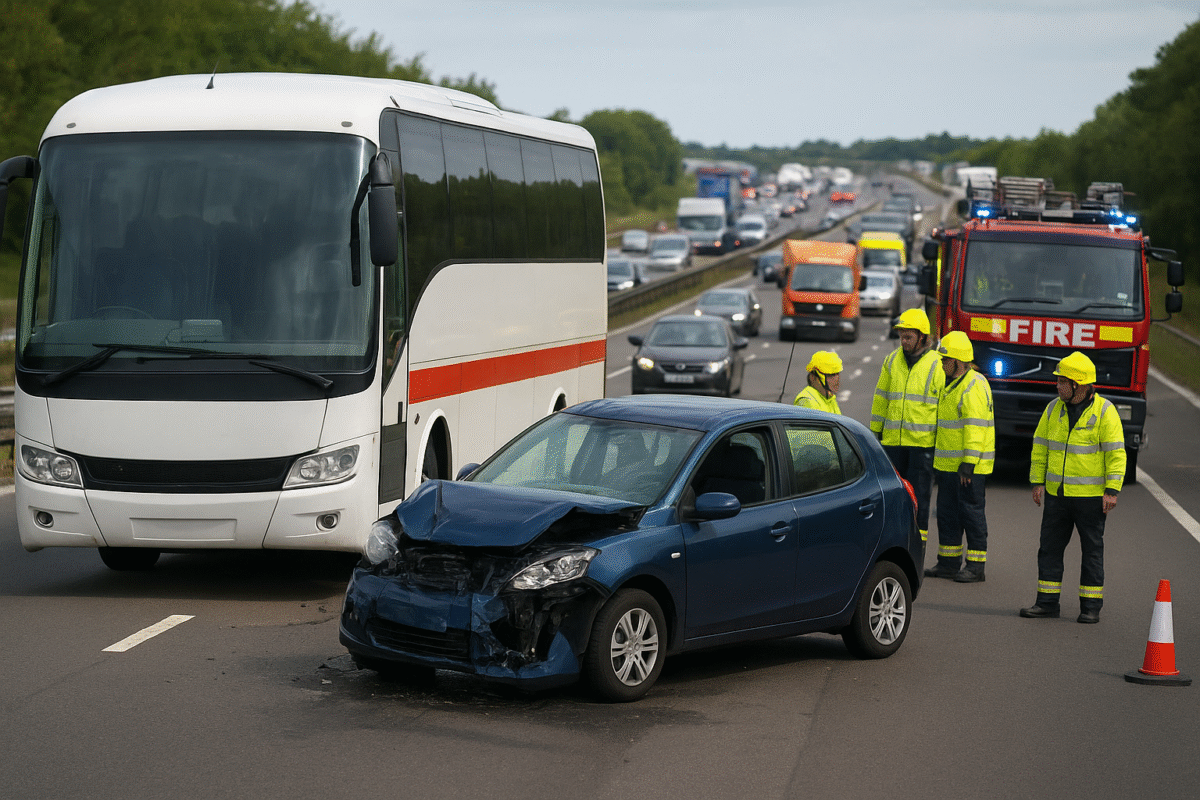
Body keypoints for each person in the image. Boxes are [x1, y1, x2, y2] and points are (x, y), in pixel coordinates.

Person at [1021, 351, 1126, 624]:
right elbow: (1040, 446)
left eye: (1062, 381)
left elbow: (1116, 453)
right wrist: (1037, 481)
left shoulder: (1105, 411)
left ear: (1078, 385)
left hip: (1090, 499)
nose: (1057, 385)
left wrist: (1112, 490)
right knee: (1049, 549)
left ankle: (1090, 607)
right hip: (1058, 495)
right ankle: (1046, 603)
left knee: (1092, 552)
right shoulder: (1053, 408)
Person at [870, 308, 944, 547]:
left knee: (919, 501)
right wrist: (876, 432)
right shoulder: (892, 360)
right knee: (893, 498)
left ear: (922, 337)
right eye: (901, 336)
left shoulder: (937, 365)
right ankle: (894, 544)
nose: (903, 341)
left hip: (922, 446)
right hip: (892, 444)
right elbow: (881, 397)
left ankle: (917, 546)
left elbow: (944, 408)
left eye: (908, 337)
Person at [926, 331, 995, 583]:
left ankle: (976, 566)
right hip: (947, 465)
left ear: (959, 361)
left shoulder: (974, 385)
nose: (942, 364)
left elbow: (975, 427)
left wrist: (969, 463)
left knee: (971, 515)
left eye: (946, 360)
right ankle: (948, 563)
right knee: (947, 514)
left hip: (968, 468)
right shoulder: (950, 384)